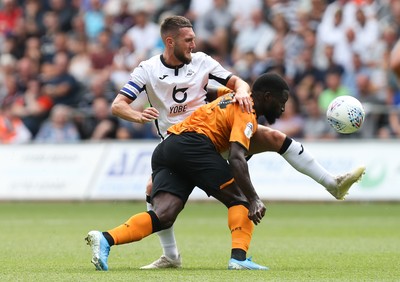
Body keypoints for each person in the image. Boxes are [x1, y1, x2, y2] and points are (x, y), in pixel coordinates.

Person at [109, 15, 366, 269]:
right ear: (169, 41)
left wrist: (241, 91)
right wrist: (138, 115)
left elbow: (238, 83)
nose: (193, 45)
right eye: (188, 40)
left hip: (210, 132)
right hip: (179, 140)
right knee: (156, 194)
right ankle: (172, 255)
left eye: (194, 39)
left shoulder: (202, 62)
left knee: (273, 138)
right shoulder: (148, 69)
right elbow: (118, 105)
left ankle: (331, 183)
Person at [86, 72, 290, 271]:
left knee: (164, 215)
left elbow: (203, 90)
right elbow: (236, 157)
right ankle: (239, 259)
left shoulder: (228, 97)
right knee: (242, 199)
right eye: (282, 101)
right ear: (267, 96)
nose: (283, 108)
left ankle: (105, 238)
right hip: (194, 145)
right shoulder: (247, 111)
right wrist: (254, 198)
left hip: (168, 146)